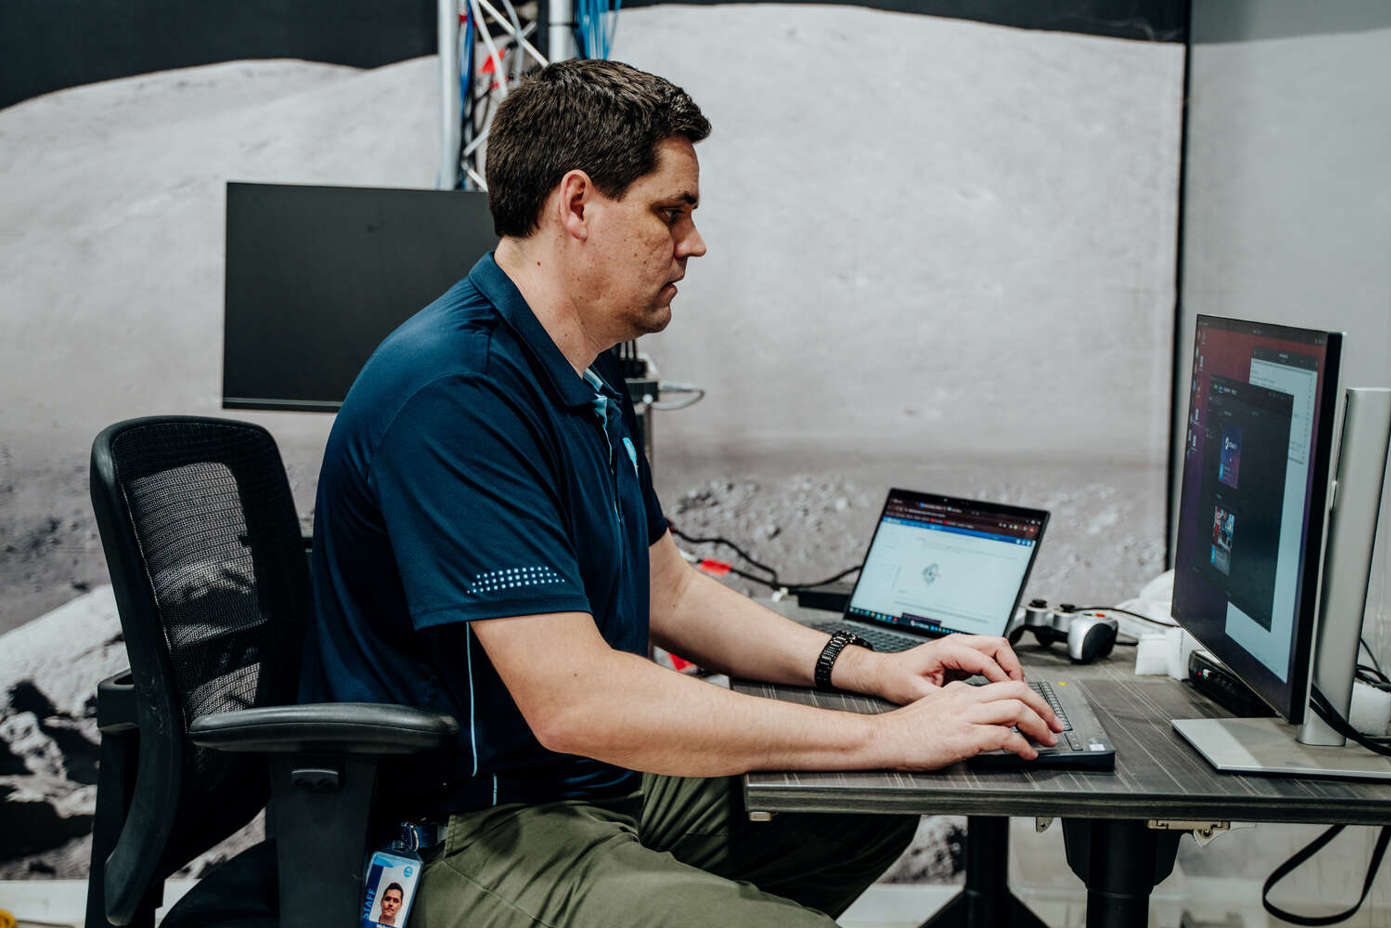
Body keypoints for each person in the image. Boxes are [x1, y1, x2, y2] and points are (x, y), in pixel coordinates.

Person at [300, 58, 1062, 928]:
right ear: (577, 204)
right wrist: (880, 733)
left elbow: (674, 590)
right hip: (466, 825)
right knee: (868, 771)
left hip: (585, 784)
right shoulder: (454, 395)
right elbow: (576, 698)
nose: (693, 243)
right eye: (672, 212)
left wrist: (870, 670)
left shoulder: (583, 371)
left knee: (866, 801)